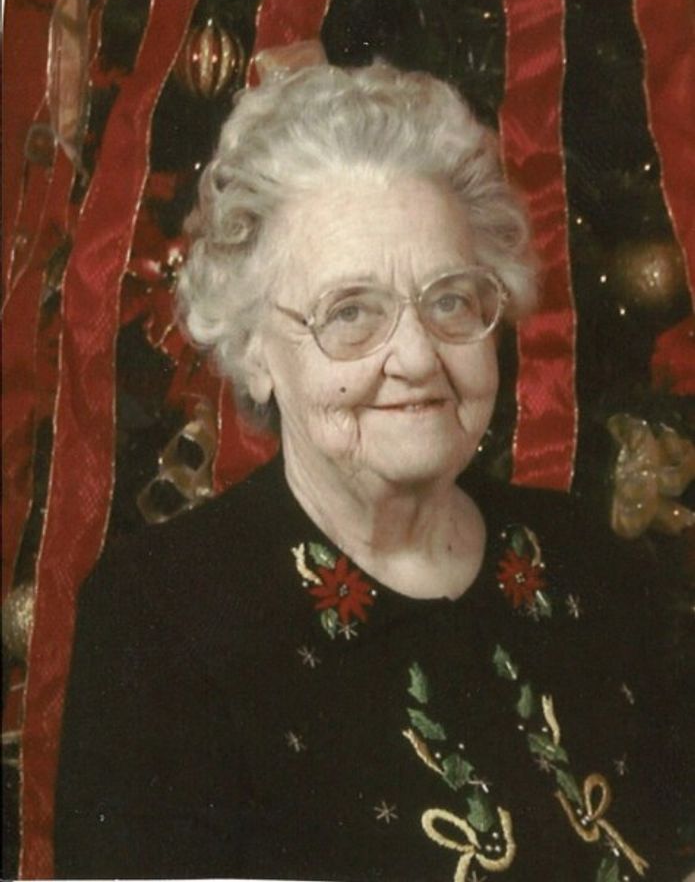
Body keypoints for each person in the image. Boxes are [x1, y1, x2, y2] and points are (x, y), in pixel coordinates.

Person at [55, 60, 688, 881]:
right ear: (254, 351)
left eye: (450, 300)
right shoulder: (162, 621)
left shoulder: (590, 564)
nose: (417, 357)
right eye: (350, 312)